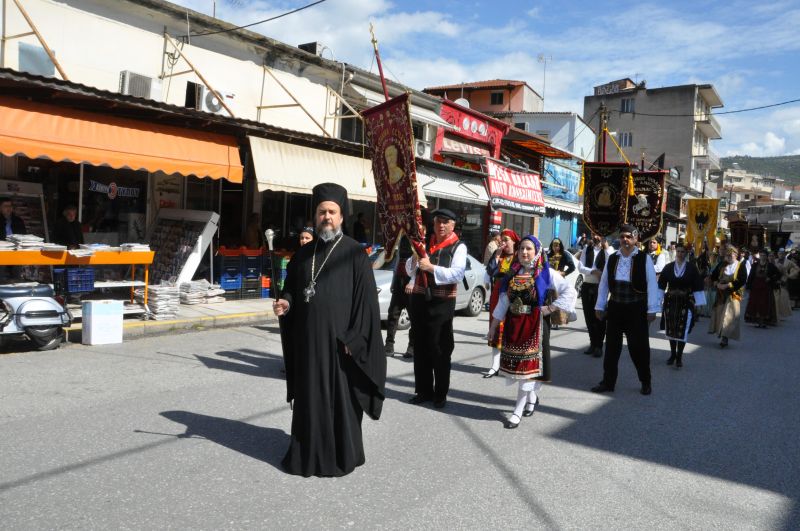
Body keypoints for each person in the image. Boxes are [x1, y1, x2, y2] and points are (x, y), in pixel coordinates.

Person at [272, 182, 386, 477]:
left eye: (332, 212)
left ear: (341, 216)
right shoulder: (302, 256)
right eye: (322, 212)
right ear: (315, 215)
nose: (327, 217)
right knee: (309, 401)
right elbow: (292, 290)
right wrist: (285, 303)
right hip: (310, 346)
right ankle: (306, 454)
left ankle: (342, 455)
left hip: (340, 347)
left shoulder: (355, 255)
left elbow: (367, 306)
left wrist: (354, 338)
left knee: (341, 404)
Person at [488, 235, 577, 429]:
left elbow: (569, 291)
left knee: (527, 369)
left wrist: (551, 308)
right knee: (519, 368)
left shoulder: (545, 273)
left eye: (529, 249)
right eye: (521, 249)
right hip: (514, 325)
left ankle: (516, 411)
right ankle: (532, 398)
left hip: (535, 326)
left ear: (537, 252)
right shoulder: (512, 274)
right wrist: (493, 326)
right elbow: (504, 302)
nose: (524, 252)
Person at [405, 208, 466, 409]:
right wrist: (414, 261)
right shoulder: (425, 244)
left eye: (445, 222)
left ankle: (440, 394)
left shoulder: (458, 246)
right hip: (420, 300)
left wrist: (431, 268)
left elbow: (457, 274)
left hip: (442, 303)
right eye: (438, 221)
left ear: (453, 225)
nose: (440, 225)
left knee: (440, 350)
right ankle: (423, 390)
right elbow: (409, 269)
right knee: (420, 347)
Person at [591, 224, 659, 396]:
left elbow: (652, 284)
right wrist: (600, 305)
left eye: (629, 236)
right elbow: (605, 283)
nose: (625, 240)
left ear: (636, 239)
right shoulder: (613, 258)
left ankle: (645, 381)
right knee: (612, 347)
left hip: (637, 308)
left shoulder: (644, 258)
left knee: (639, 348)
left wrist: (652, 309)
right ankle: (608, 382)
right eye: (622, 237)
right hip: (615, 307)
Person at [658, 244, 706, 369]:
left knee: (683, 329)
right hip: (671, 302)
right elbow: (661, 284)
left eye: (682, 251)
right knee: (671, 329)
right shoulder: (668, 268)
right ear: (675, 252)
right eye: (678, 251)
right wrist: (657, 301)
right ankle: (672, 354)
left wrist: (699, 303)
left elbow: (698, 284)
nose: (680, 254)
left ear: (686, 253)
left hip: (686, 302)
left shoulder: (691, 268)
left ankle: (679, 356)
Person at [483, 228, 520, 377]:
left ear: (513, 242)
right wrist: (497, 257)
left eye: (506, 240)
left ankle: (511, 364)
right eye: (502, 240)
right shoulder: (498, 255)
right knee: (496, 328)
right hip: (497, 294)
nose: (503, 243)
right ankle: (495, 365)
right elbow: (491, 272)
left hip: (513, 295)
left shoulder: (519, 257)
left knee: (512, 328)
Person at [574, 233, 612, 357]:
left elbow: (611, 262)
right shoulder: (587, 248)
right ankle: (592, 343)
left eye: (598, 234)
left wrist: (605, 247)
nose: (596, 237)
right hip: (587, 285)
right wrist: (593, 271)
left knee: (599, 316)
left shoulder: (608, 250)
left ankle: (599, 346)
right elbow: (581, 267)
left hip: (600, 286)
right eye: (594, 234)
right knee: (589, 316)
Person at [708, 245, 747, 347]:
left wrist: (728, 285)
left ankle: (725, 338)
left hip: (733, 294)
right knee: (721, 315)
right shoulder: (722, 265)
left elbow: (742, 280)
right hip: (721, 294)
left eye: (731, 255)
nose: (729, 257)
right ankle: (721, 334)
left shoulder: (740, 266)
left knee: (728, 317)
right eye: (727, 255)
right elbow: (713, 276)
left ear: (736, 255)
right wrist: (717, 284)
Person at [384, 237, 414, 358]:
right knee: (393, 314)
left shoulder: (418, 236)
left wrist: (412, 281)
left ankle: (412, 346)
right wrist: (393, 282)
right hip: (399, 281)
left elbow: (419, 263)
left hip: (411, 282)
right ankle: (389, 345)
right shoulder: (401, 237)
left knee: (414, 318)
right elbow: (397, 263)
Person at [744, 251, 779, 329]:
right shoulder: (755, 265)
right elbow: (751, 276)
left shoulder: (770, 266)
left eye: (764, 255)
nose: (762, 257)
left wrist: (770, 279)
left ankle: (763, 322)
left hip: (766, 287)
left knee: (764, 303)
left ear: (766, 257)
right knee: (755, 303)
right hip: (755, 287)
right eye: (761, 255)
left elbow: (778, 274)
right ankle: (757, 321)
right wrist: (748, 286)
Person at [773, 249, 793, 319]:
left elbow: (795, 269)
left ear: (784, 254)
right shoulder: (775, 261)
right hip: (776, 281)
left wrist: (789, 276)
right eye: (779, 253)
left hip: (784, 281)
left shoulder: (789, 262)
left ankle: (782, 314)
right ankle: (776, 314)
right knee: (776, 298)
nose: (780, 255)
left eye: (782, 253)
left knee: (783, 298)